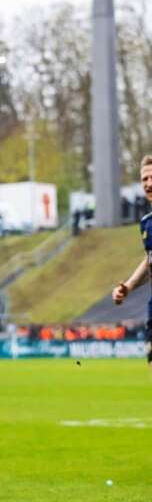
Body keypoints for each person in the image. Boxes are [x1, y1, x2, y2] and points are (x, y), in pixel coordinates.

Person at [111, 154, 152, 373]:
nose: (148, 183)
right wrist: (128, 286)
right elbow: (150, 262)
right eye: (144, 179)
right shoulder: (147, 224)